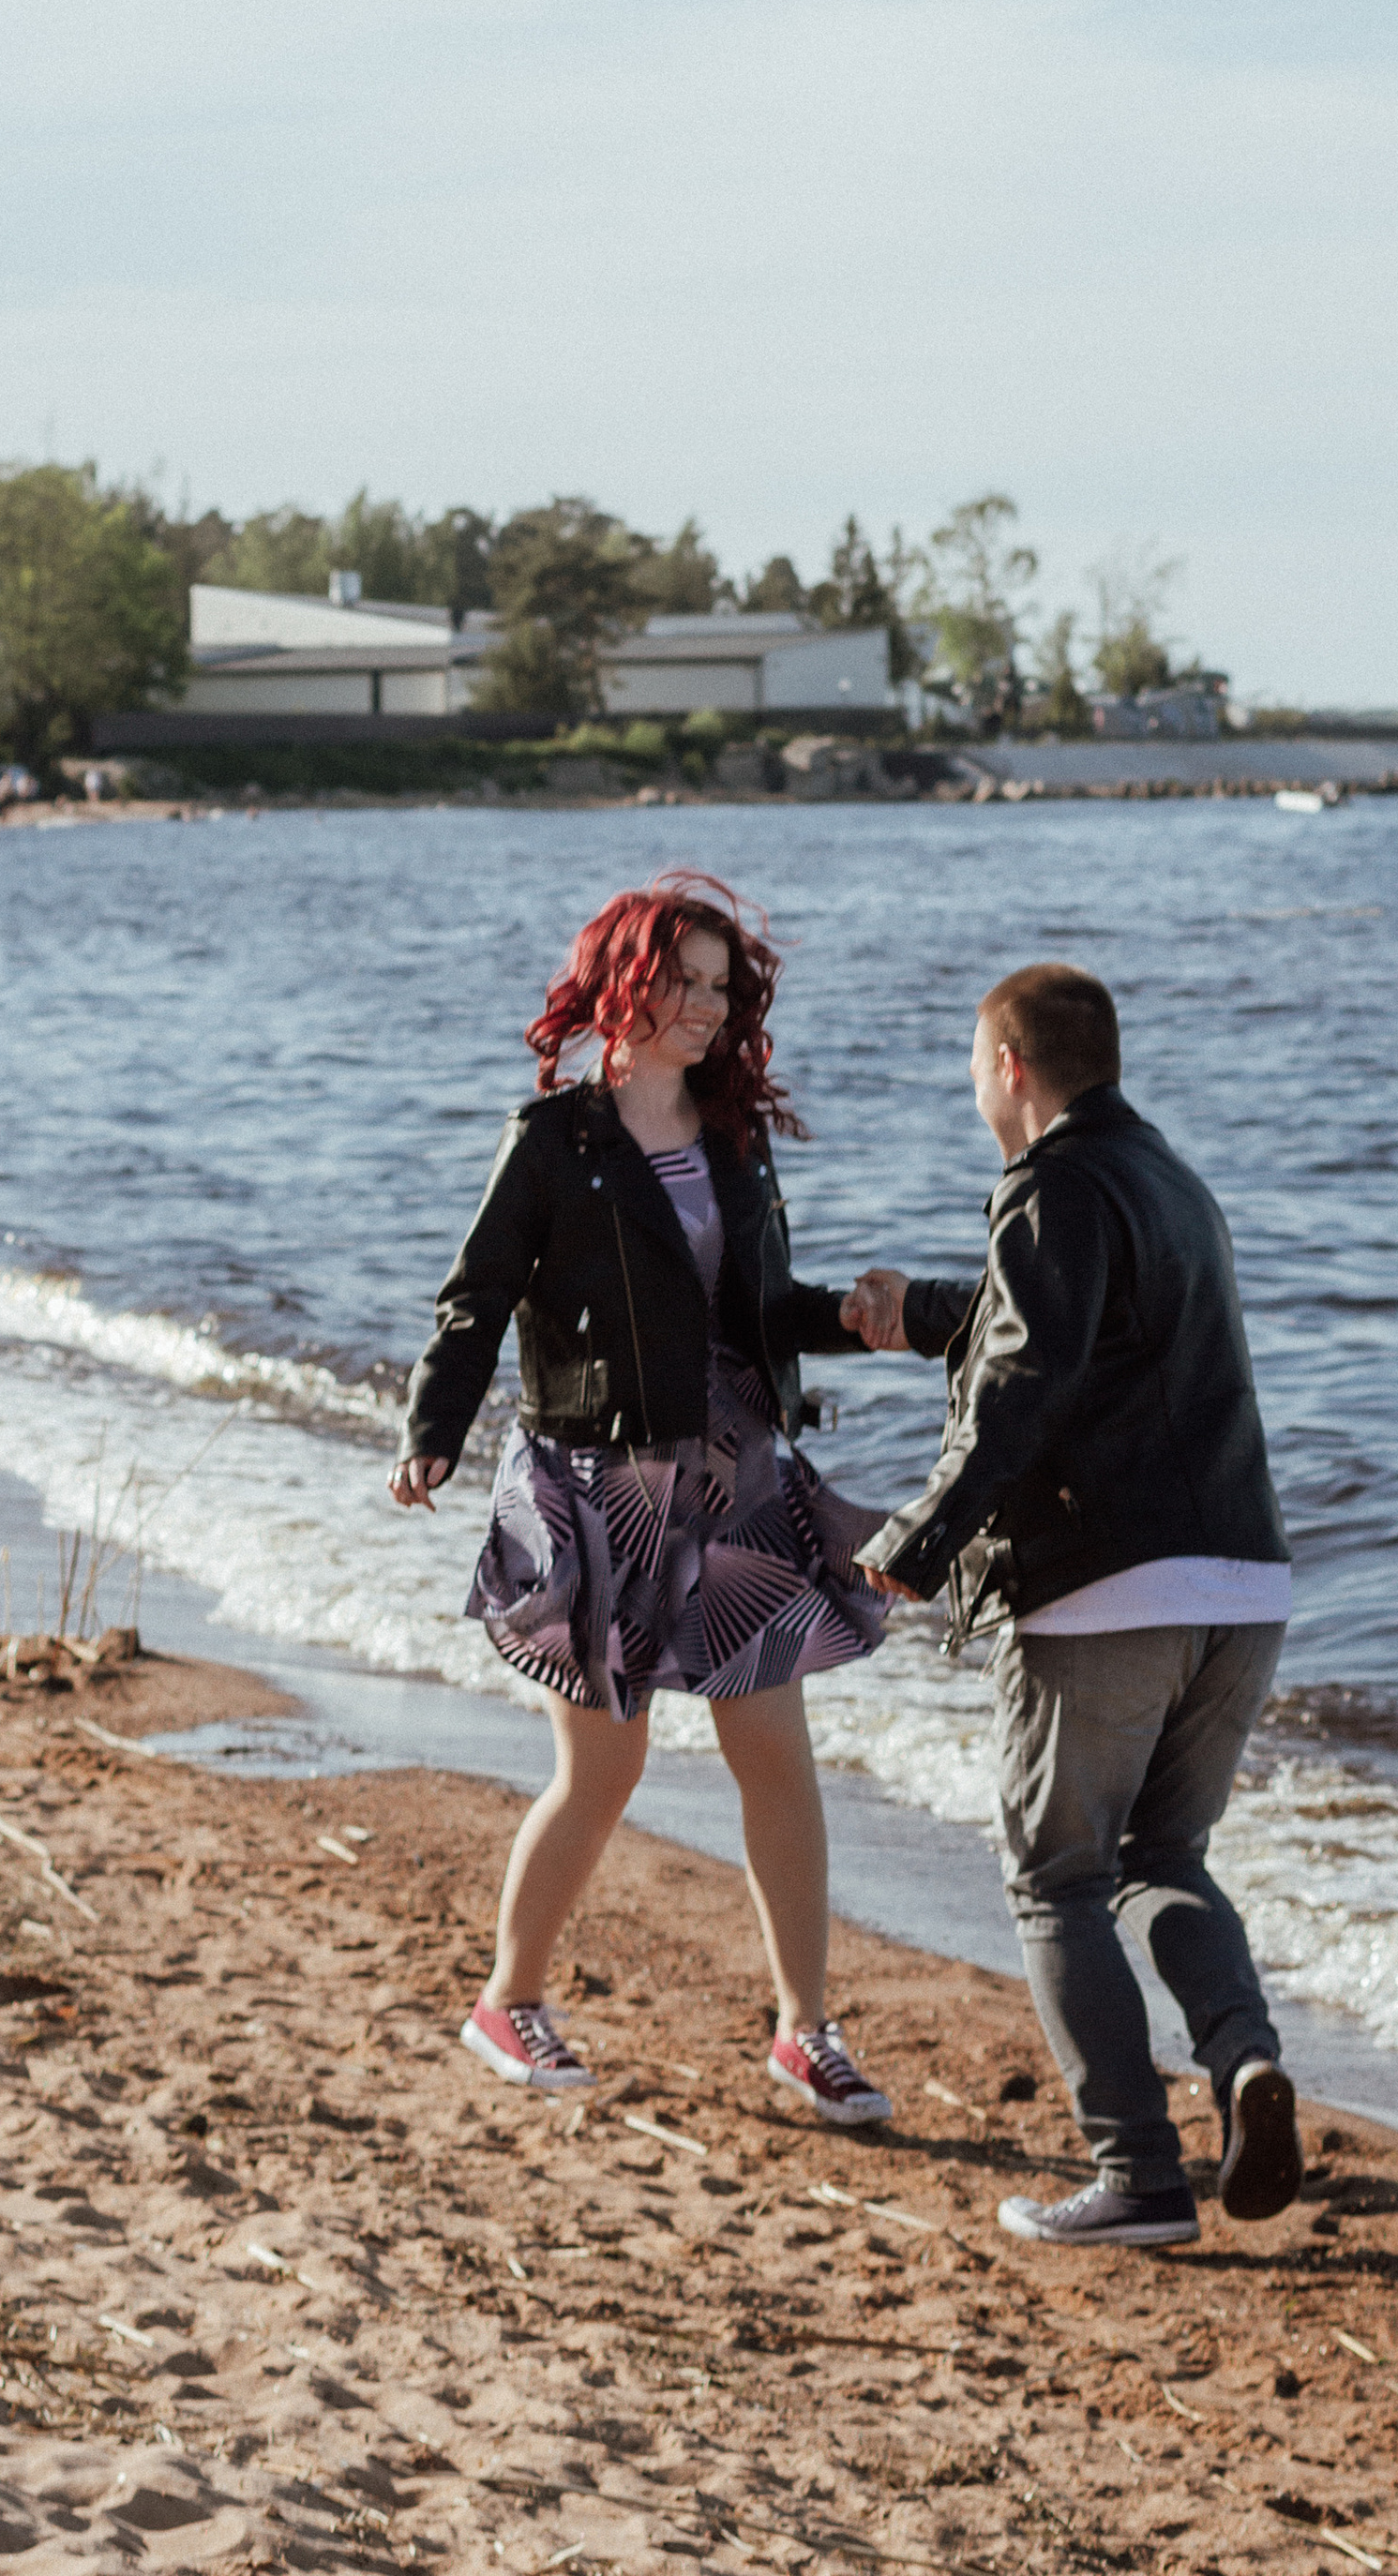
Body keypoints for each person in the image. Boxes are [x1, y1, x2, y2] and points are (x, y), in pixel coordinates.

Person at [394, 875, 894, 2125]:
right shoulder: (553, 1141)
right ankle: (507, 1998)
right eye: (687, 982)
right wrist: (432, 1437)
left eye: (726, 989)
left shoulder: (734, 1138)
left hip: (733, 1474)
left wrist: (850, 1317)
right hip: (596, 1482)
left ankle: (804, 2031)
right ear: (627, 980)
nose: (709, 1011)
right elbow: (477, 1299)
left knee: (773, 1751)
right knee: (604, 1768)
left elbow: (756, 1312)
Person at [847, 961, 1302, 2248]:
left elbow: (1027, 1376)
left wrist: (918, 1540)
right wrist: (914, 1311)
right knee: (1165, 1860)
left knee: (1055, 1877)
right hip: (1244, 1580)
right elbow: (1073, 1325)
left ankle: (1139, 2177)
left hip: (1109, 1585)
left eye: (970, 1065)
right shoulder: (1171, 1179)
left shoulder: (1047, 1182)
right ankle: (1246, 2064)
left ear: (1009, 1064)